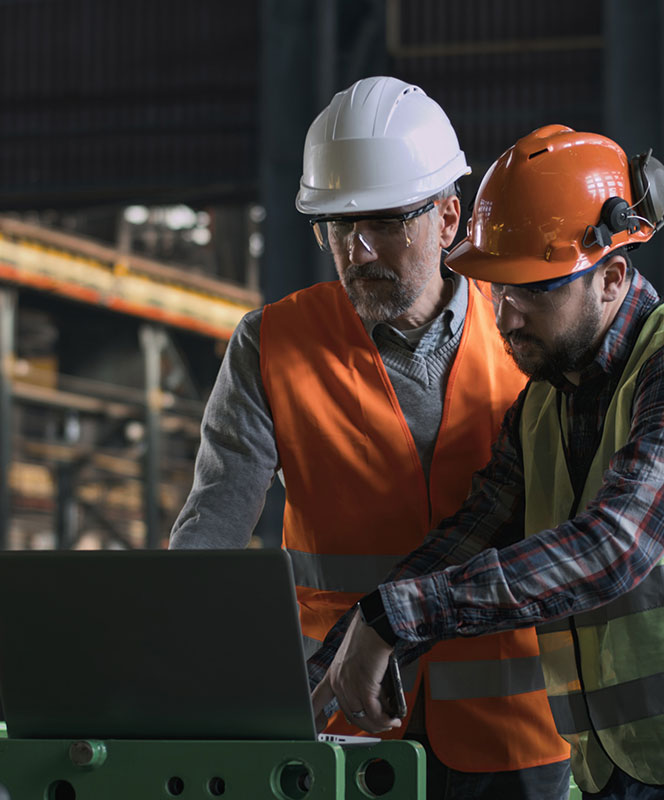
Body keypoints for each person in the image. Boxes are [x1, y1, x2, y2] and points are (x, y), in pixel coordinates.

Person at [310, 123, 664, 800]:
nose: (505, 317)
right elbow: (468, 537)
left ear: (613, 276)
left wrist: (397, 617)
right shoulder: (543, 406)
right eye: (497, 288)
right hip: (617, 772)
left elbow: (613, 547)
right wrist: (326, 665)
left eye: (534, 290)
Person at [170, 79, 570, 799]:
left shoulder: (526, 333)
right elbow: (210, 533)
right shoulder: (272, 345)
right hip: (342, 725)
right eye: (336, 226)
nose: (357, 251)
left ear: (448, 217)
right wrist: (169, 672)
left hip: (516, 726)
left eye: (385, 224)